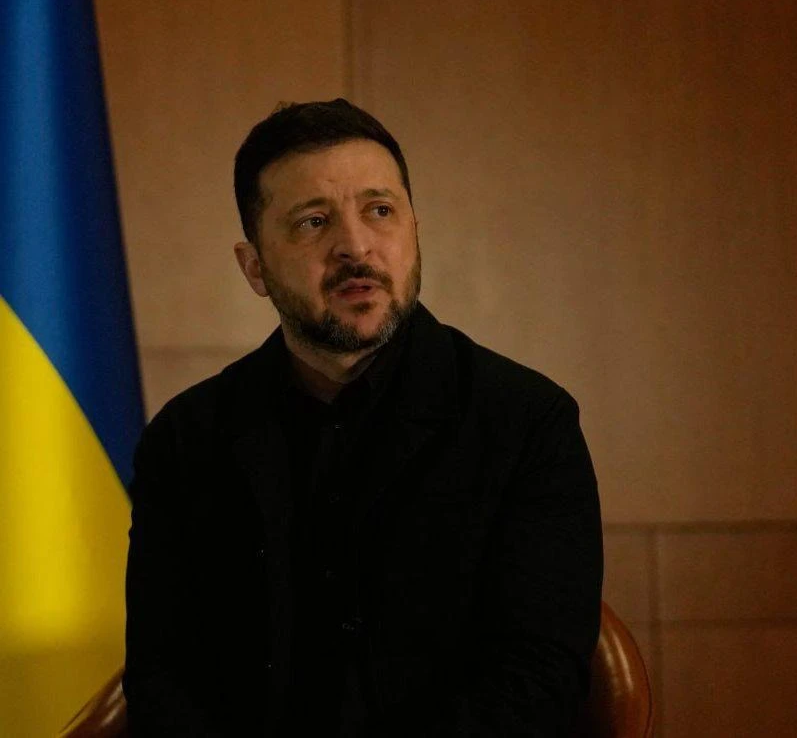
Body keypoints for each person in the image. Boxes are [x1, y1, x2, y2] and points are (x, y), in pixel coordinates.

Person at [123, 99, 603, 737]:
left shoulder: (527, 422)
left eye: (380, 211)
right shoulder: (185, 439)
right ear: (254, 266)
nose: (355, 246)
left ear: (414, 232)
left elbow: (538, 680)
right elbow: (162, 676)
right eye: (313, 221)